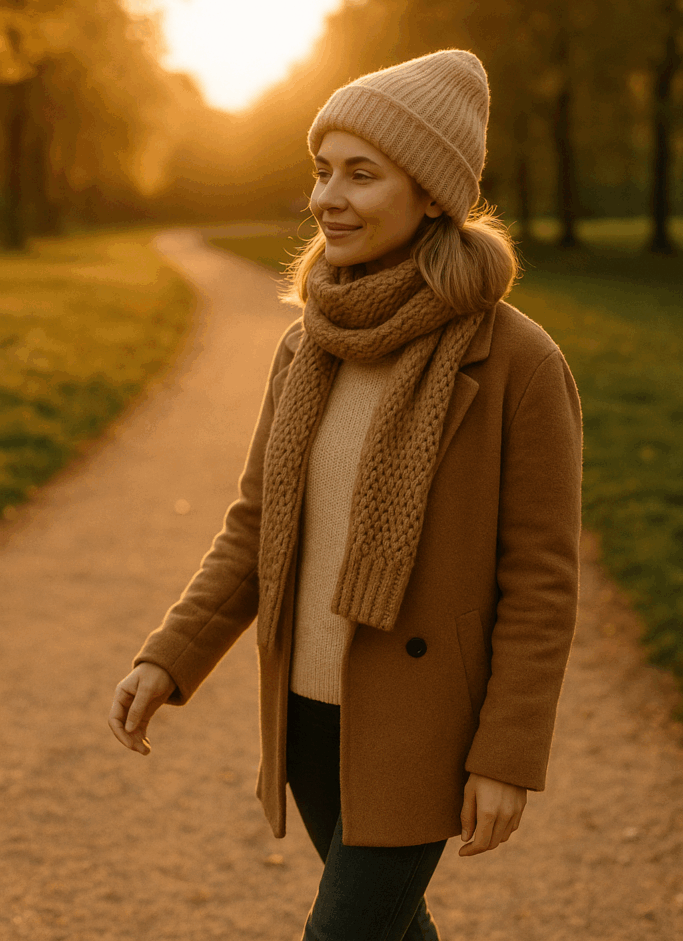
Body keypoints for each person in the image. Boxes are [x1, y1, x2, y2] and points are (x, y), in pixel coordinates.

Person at [108, 49, 583, 941]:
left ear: (433, 193)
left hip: (421, 726)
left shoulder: (519, 362)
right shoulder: (309, 342)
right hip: (308, 719)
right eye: (322, 170)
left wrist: (507, 755)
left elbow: (541, 584)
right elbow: (254, 529)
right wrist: (169, 657)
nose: (328, 197)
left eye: (361, 174)